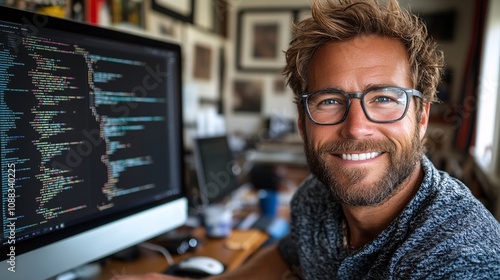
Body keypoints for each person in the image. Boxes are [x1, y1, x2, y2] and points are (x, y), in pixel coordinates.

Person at [112, 0, 500, 279]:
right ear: (302, 121)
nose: (356, 128)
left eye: (383, 99)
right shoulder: (315, 197)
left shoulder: (461, 256)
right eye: (330, 101)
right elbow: (286, 256)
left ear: (422, 117)